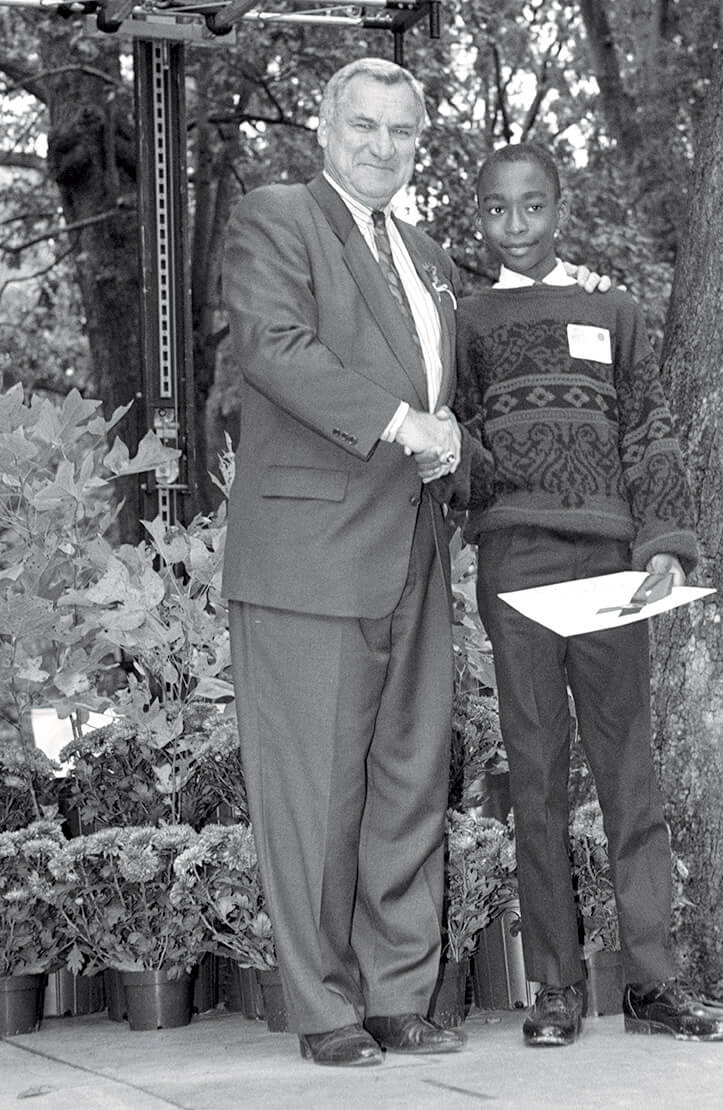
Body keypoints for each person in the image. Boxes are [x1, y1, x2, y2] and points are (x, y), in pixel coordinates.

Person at [222, 61, 607, 1069]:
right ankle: (323, 1006)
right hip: (308, 560)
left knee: (405, 786)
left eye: (401, 130)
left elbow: (468, 412)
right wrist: (404, 424)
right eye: (364, 125)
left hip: (417, 555)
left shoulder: (432, 258)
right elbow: (273, 346)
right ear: (322, 123)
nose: (382, 145)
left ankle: (397, 995)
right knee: (315, 796)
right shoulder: (279, 219)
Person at [426, 142, 723, 1047]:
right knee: (536, 783)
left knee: (629, 777)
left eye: (532, 207)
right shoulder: (465, 322)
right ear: (477, 215)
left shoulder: (616, 310)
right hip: (516, 570)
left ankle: (653, 984)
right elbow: (461, 439)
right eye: (496, 210)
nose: (515, 227)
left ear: (559, 208)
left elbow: (648, 427)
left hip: (611, 574)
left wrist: (669, 544)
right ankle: (556, 988)